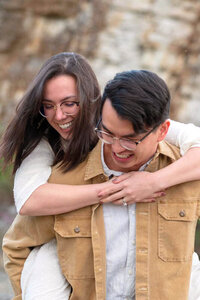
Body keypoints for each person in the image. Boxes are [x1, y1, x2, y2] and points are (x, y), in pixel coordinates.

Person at [2, 69, 200, 299]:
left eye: (130, 139)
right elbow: (18, 246)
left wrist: (155, 182)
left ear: (162, 131)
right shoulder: (63, 178)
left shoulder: (185, 175)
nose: (116, 147)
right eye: (107, 133)